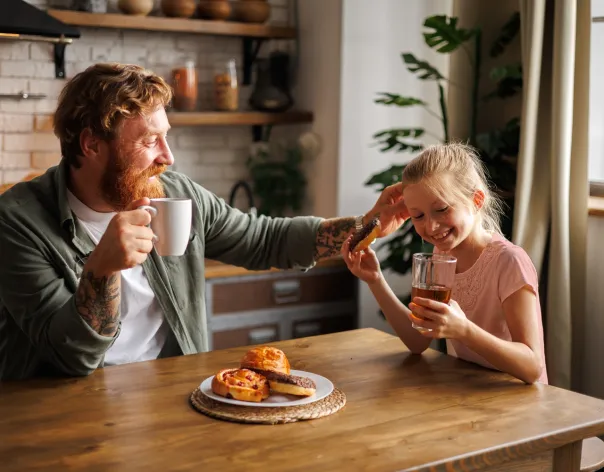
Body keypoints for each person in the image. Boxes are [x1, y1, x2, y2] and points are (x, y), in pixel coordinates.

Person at [0, 63, 408, 381]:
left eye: (166, 136)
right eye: (148, 141)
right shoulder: (18, 222)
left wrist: (366, 224)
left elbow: (265, 238)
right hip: (65, 410)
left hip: (172, 393)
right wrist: (102, 268)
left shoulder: (175, 192)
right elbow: (71, 356)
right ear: (91, 145)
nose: (167, 156)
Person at [341, 143, 548, 384]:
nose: (431, 227)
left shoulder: (509, 261)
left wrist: (464, 330)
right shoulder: (441, 254)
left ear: (477, 200)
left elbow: (533, 367)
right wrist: (375, 280)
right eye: (418, 216)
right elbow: (418, 341)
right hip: (467, 396)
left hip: (517, 406)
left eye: (441, 209)